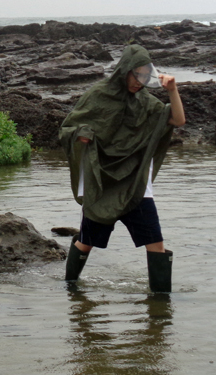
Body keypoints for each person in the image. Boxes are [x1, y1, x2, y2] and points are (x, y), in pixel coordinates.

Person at [59, 44, 186, 293]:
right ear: (124, 70)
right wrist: (81, 135)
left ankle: (160, 306)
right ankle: (70, 289)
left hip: (137, 184)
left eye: (144, 76)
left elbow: (178, 120)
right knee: (86, 242)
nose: (140, 81)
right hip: (102, 183)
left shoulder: (146, 102)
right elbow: (67, 129)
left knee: (156, 243)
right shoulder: (99, 94)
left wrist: (172, 89)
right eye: (136, 74)